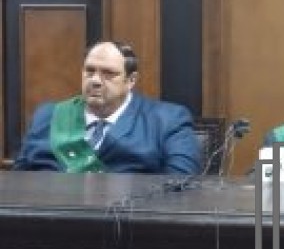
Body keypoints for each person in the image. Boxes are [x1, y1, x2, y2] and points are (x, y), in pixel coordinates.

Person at [14, 41, 201, 174]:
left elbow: (180, 184)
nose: (95, 80)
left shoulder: (167, 120)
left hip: (126, 216)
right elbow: (18, 179)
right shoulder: (48, 115)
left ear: (131, 80)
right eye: (89, 71)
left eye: (108, 73)